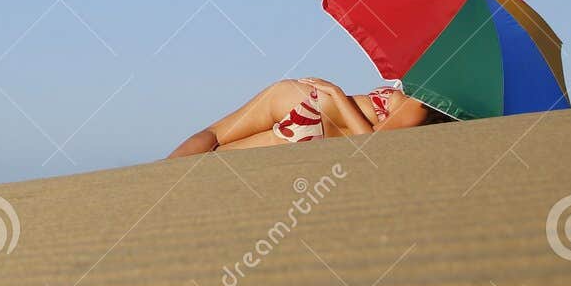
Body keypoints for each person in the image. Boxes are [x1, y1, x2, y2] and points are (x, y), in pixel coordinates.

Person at [167, 78, 447, 158]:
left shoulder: (422, 105)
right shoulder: (431, 104)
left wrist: (337, 94)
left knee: (215, 137)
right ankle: (160, 178)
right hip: (314, 122)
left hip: (312, 107)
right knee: (216, 156)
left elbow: (371, 143)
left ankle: (161, 174)